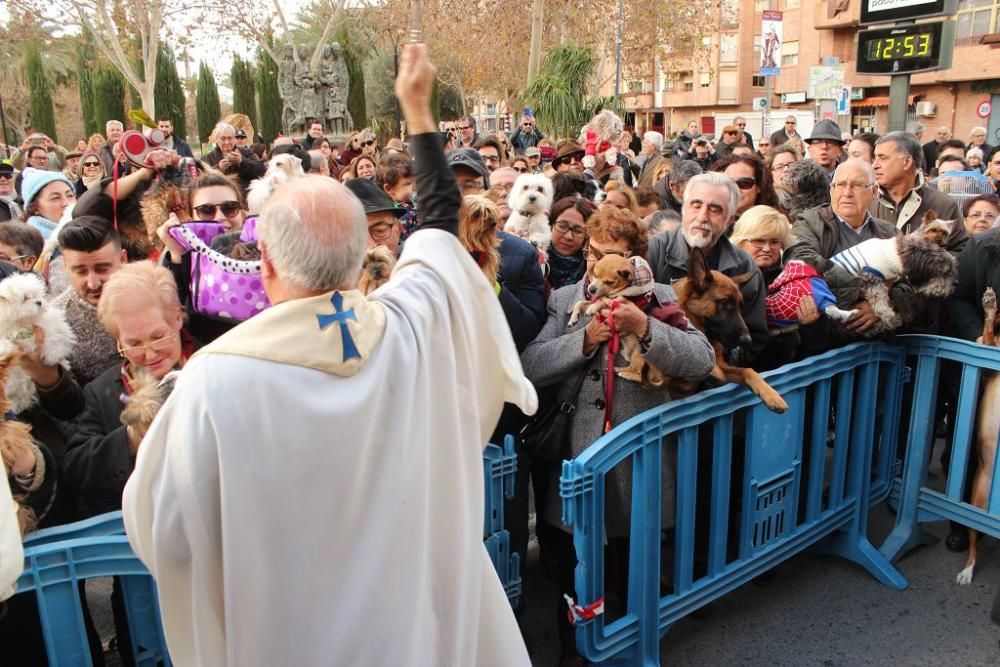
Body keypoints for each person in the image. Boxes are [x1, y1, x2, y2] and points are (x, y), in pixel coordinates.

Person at [122, 42, 534, 666]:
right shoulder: (412, 324)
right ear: (362, 256)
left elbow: (167, 534)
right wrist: (417, 110)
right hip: (415, 630)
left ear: (263, 265)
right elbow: (441, 232)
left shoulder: (211, 385)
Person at [520, 205, 714, 664]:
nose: (598, 270)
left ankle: (632, 641)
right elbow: (531, 365)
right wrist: (586, 338)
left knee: (632, 563)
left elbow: (701, 359)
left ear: (637, 262)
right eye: (594, 254)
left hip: (638, 458)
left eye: (613, 259)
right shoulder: (566, 299)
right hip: (579, 455)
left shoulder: (661, 296)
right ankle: (574, 648)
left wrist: (645, 327)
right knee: (574, 566)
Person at [647, 172, 769, 362]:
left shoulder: (744, 266)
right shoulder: (652, 251)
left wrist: (708, 373)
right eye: (696, 205)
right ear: (684, 210)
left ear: (729, 220)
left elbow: (753, 341)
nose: (703, 216)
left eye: (715, 209)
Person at [785, 159, 906, 339]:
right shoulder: (808, 224)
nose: (847, 192)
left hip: (878, 345)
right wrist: (876, 291)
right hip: (826, 340)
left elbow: (915, 281)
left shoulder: (889, 233)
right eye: (840, 184)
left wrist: (888, 302)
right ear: (831, 190)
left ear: (873, 191)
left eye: (857, 185)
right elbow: (803, 266)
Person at [157, 172, 252, 343]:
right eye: (206, 210)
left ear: (243, 212)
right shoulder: (182, 256)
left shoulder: (265, 250)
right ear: (190, 217)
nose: (220, 217)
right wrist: (177, 255)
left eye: (229, 208)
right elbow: (168, 316)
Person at [51, 217, 127, 385]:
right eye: (81, 271)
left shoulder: (151, 293)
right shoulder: (55, 322)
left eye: (102, 269)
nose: (93, 283)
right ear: (65, 266)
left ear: (123, 259)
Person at [871, 131, 967, 253]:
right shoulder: (868, 201)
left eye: (882, 158)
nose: (875, 165)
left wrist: (925, 263)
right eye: (875, 157)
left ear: (907, 162)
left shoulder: (944, 205)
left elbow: (961, 254)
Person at [545, 196, 596, 289]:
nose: (568, 236)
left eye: (578, 231)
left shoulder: (592, 272)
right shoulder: (534, 261)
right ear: (551, 225)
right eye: (562, 226)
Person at [202, 123, 266, 194]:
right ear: (217, 139)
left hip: (244, 197)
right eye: (223, 139)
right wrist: (219, 168)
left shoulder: (246, 152)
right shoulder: (207, 158)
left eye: (230, 138)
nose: (227, 142)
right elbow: (202, 180)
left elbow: (261, 171)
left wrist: (242, 161)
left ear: (234, 139)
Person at [714, 154, 779, 219]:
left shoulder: (772, 223)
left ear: (759, 186)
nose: (735, 189)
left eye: (744, 183)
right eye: (728, 183)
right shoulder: (711, 221)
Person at [19, 168, 76, 241]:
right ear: (34, 207)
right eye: (55, 198)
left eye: (70, 195)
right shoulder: (31, 245)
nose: (66, 203)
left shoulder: (83, 233)